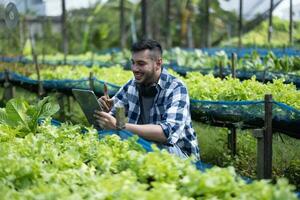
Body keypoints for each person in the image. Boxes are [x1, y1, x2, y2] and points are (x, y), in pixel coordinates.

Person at [94, 39, 200, 160]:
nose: (134, 68)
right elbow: (115, 118)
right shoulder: (132, 85)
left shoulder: (176, 88)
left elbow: (166, 133)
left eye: (141, 63)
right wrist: (105, 111)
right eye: (133, 63)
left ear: (158, 63)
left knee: (149, 147)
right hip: (145, 145)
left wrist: (120, 126)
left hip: (179, 153)